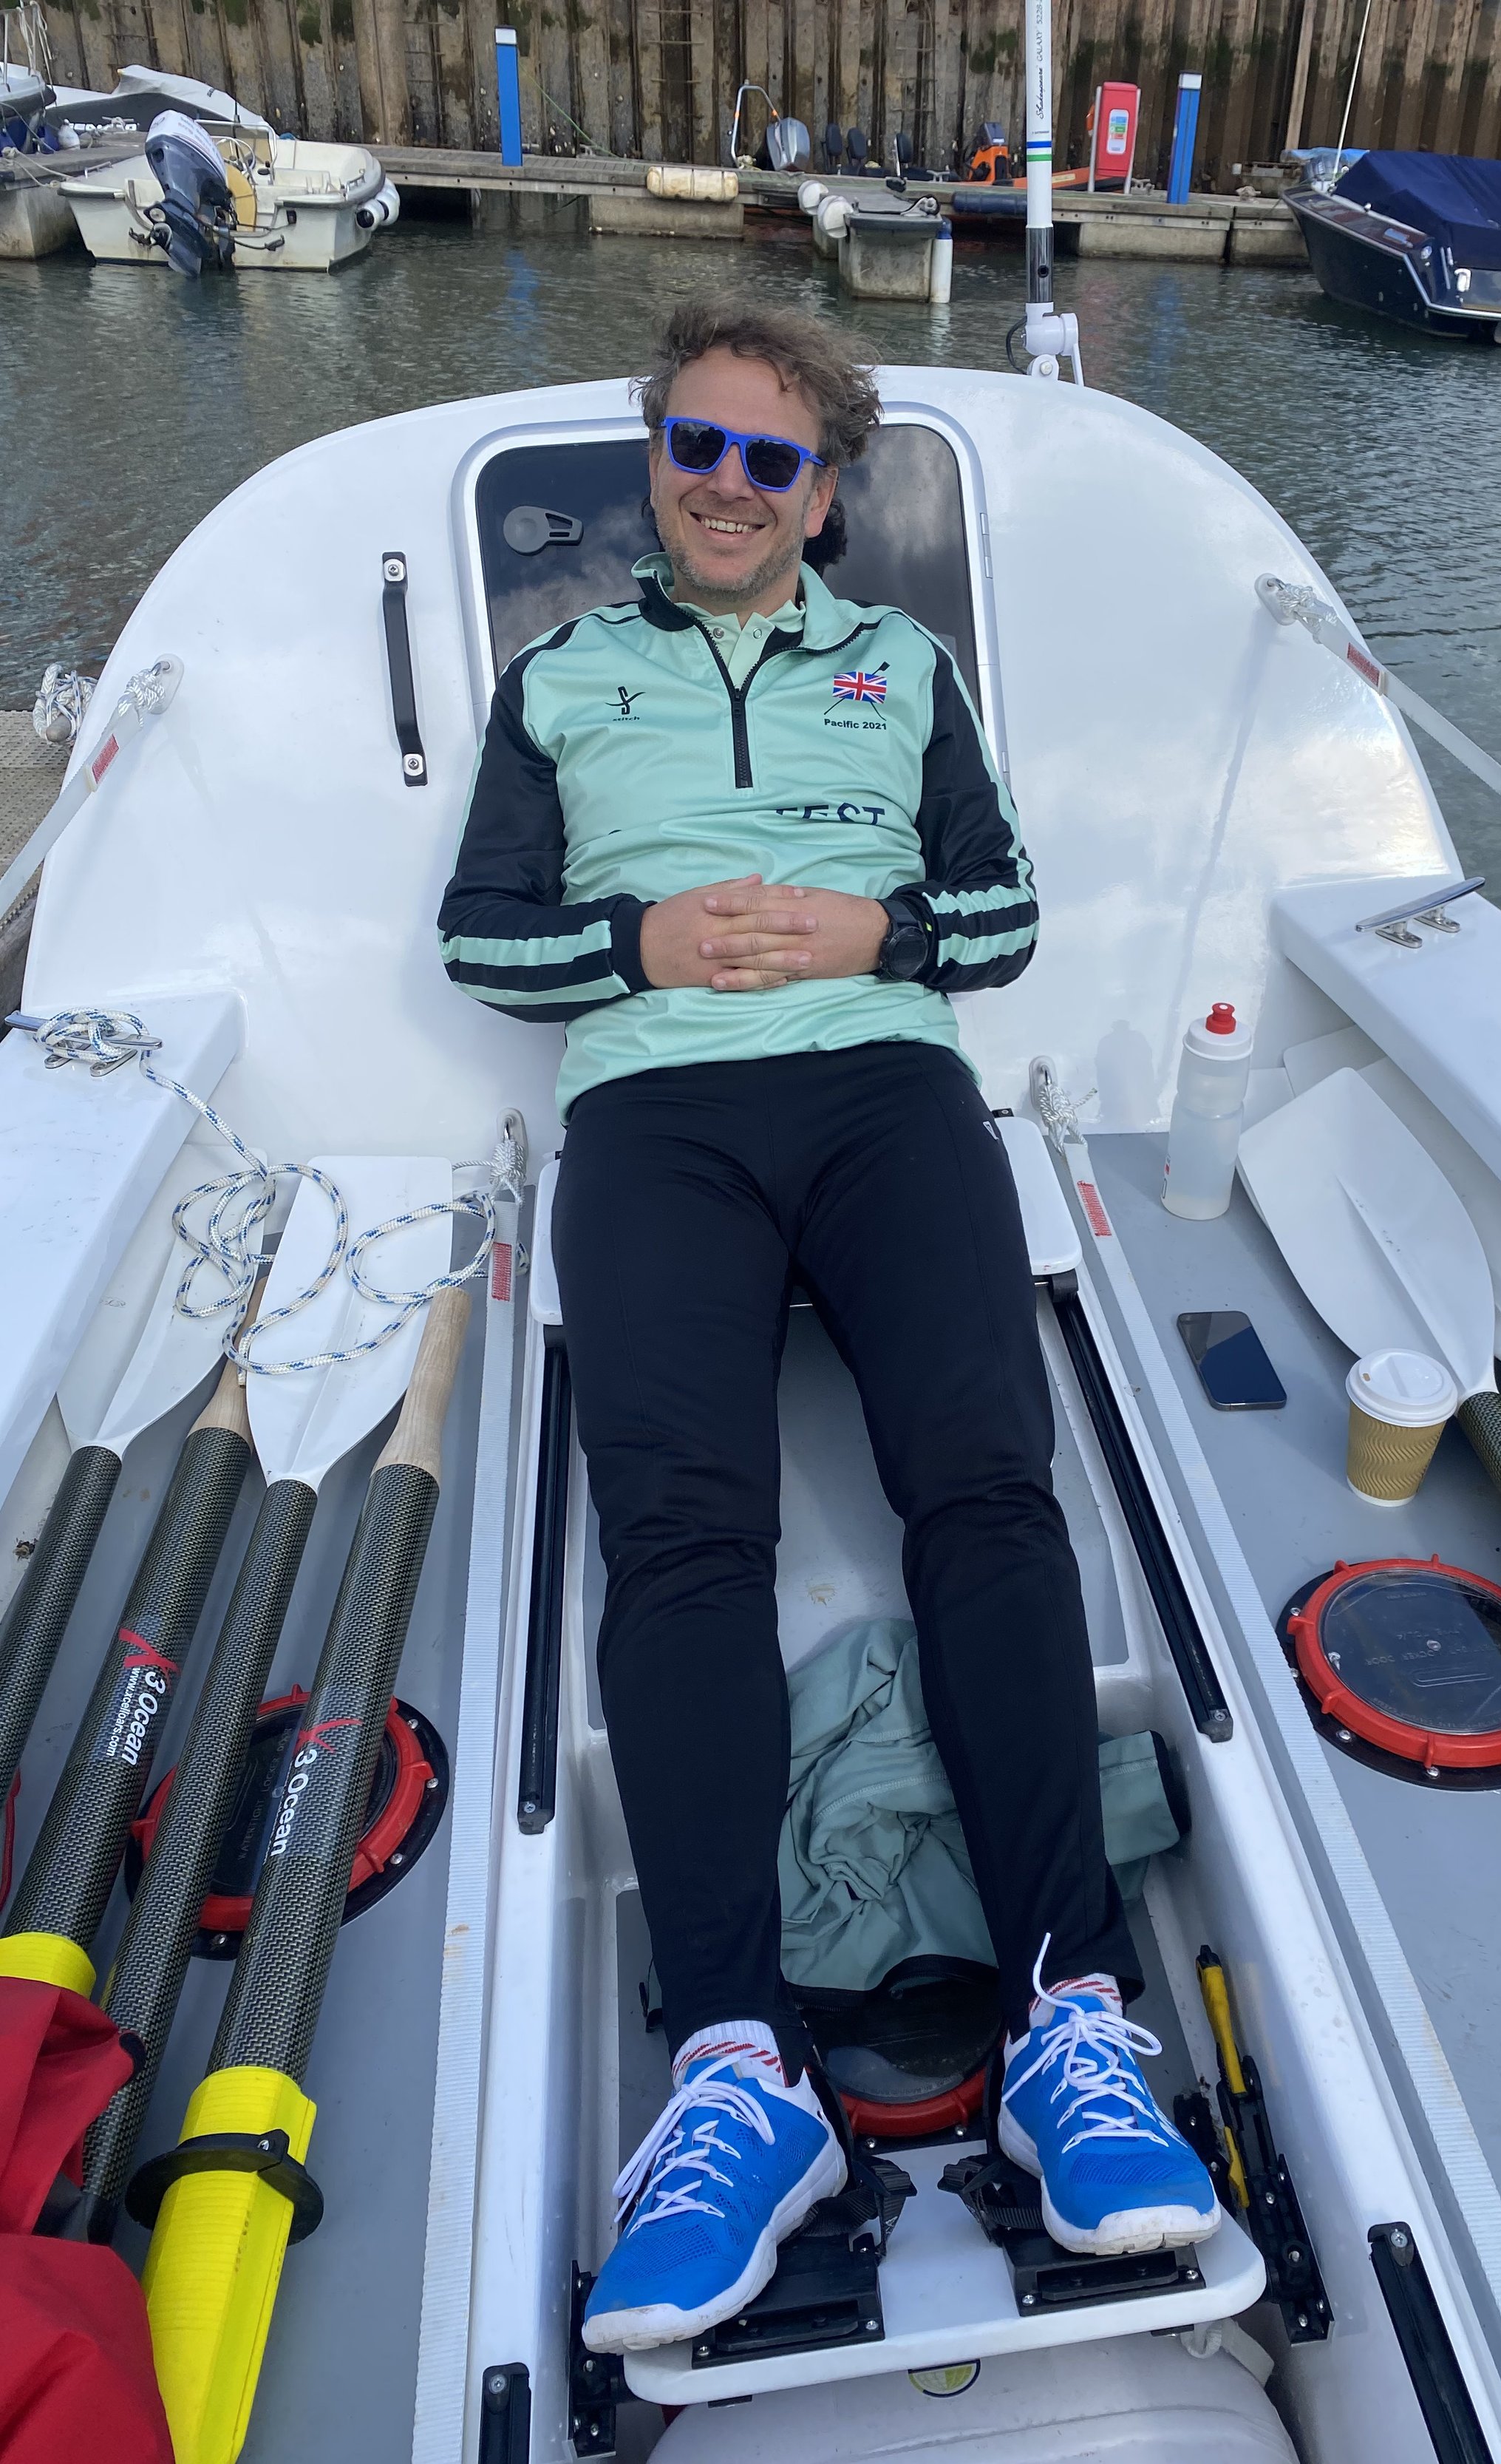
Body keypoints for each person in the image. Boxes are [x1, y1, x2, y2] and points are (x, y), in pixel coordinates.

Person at [438, 296, 1217, 2355]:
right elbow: (480, 936)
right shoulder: (560, 680)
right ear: (654, 459)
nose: (722, 483)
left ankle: (1070, 2021)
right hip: (651, 1106)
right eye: (692, 445)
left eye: (768, 458)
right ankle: (736, 2076)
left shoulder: (907, 670)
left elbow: (1000, 916)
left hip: (883, 1083)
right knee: (680, 1529)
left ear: (822, 490)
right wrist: (637, 937)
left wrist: (872, 930)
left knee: (983, 1481)